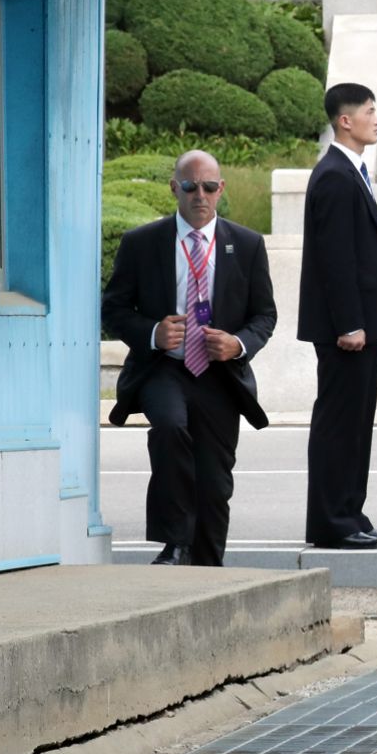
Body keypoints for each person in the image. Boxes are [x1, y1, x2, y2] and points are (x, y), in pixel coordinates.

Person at [102, 150, 278, 567]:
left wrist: (236, 344)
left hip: (219, 376)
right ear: (174, 188)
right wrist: (152, 333)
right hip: (164, 368)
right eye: (190, 186)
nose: (200, 195)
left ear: (221, 189)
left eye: (209, 186)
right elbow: (112, 309)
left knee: (215, 482)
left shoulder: (248, 245)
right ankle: (175, 542)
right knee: (169, 426)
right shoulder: (141, 243)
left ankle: (208, 568)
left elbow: (265, 315)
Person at [299, 82, 377, 551]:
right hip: (349, 329)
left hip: (365, 325)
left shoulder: (350, 171)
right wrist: (349, 323)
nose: (376, 118)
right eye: (368, 111)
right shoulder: (336, 176)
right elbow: (335, 258)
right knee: (339, 422)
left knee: (357, 422)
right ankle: (330, 521)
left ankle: (349, 511)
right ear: (345, 120)